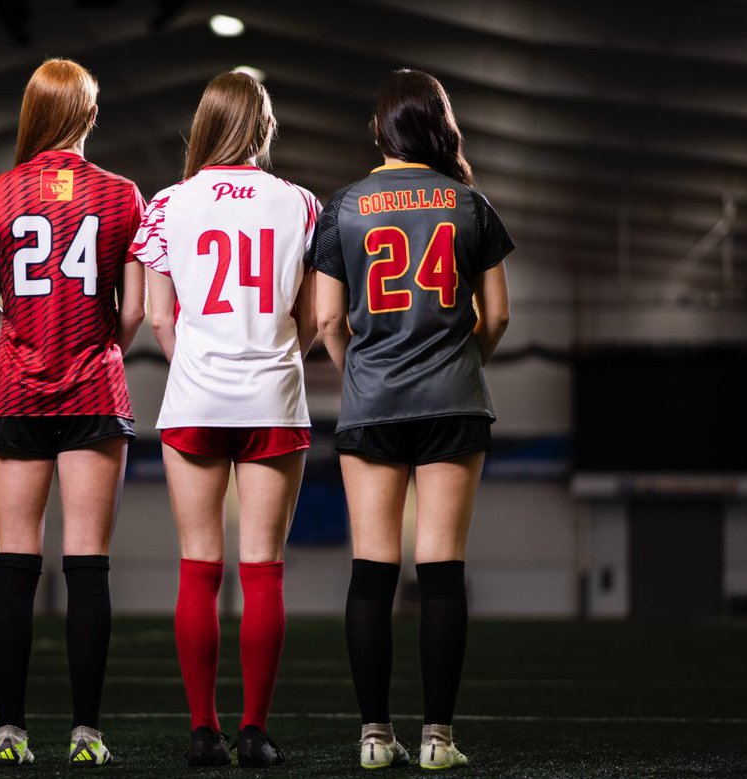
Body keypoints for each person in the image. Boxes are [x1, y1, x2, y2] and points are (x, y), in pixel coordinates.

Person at [313, 69, 512, 770]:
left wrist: (359, 371)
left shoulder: (344, 206)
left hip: (373, 406)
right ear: (438, 125)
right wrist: (463, 358)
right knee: (441, 571)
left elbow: (328, 317)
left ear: (379, 130)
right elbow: (499, 315)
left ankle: (373, 735)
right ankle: (437, 738)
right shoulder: (469, 203)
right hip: (453, 402)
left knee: (372, 568)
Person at [0, 58, 146, 768]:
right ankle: (87, 732)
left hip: (17, 392)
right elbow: (135, 311)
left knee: (15, 560)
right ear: (90, 116)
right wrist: (98, 349)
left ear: (33, 113)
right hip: (96, 390)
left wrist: (20, 348)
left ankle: (10, 729)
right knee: (87, 563)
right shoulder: (124, 195)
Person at [129, 70, 320, 768]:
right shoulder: (300, 204)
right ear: (264, 129)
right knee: (263, 568)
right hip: (272, 394)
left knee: (199, 567)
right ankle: (253, 731)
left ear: (204, 125)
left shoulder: (166, 204)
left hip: (196, 400)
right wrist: (269, 353)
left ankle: (204, 732)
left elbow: (156, 316)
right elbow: (312, 318)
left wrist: (200, 363)